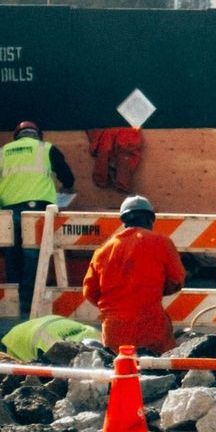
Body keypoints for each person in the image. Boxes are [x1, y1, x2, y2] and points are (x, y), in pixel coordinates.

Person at [81, 196, 185, 354]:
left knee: (118, 373)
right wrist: (151, 290)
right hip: (151, 327)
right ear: (151, 219)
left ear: (123, 220)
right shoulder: (162, 242)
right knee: (164, 371)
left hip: (114, 332)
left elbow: (89, 292)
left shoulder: (103, 251)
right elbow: (176, 280)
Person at [2, 121, 76, 316]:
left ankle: (12, 307)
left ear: (17, 136)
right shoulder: (46, 148)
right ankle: (28, 307)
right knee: (33, 257)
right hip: (38, 212)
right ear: (38, 135)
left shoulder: (3, 152)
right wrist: (66, 188)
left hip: (8, 212)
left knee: (12, 256)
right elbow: (68, 177)